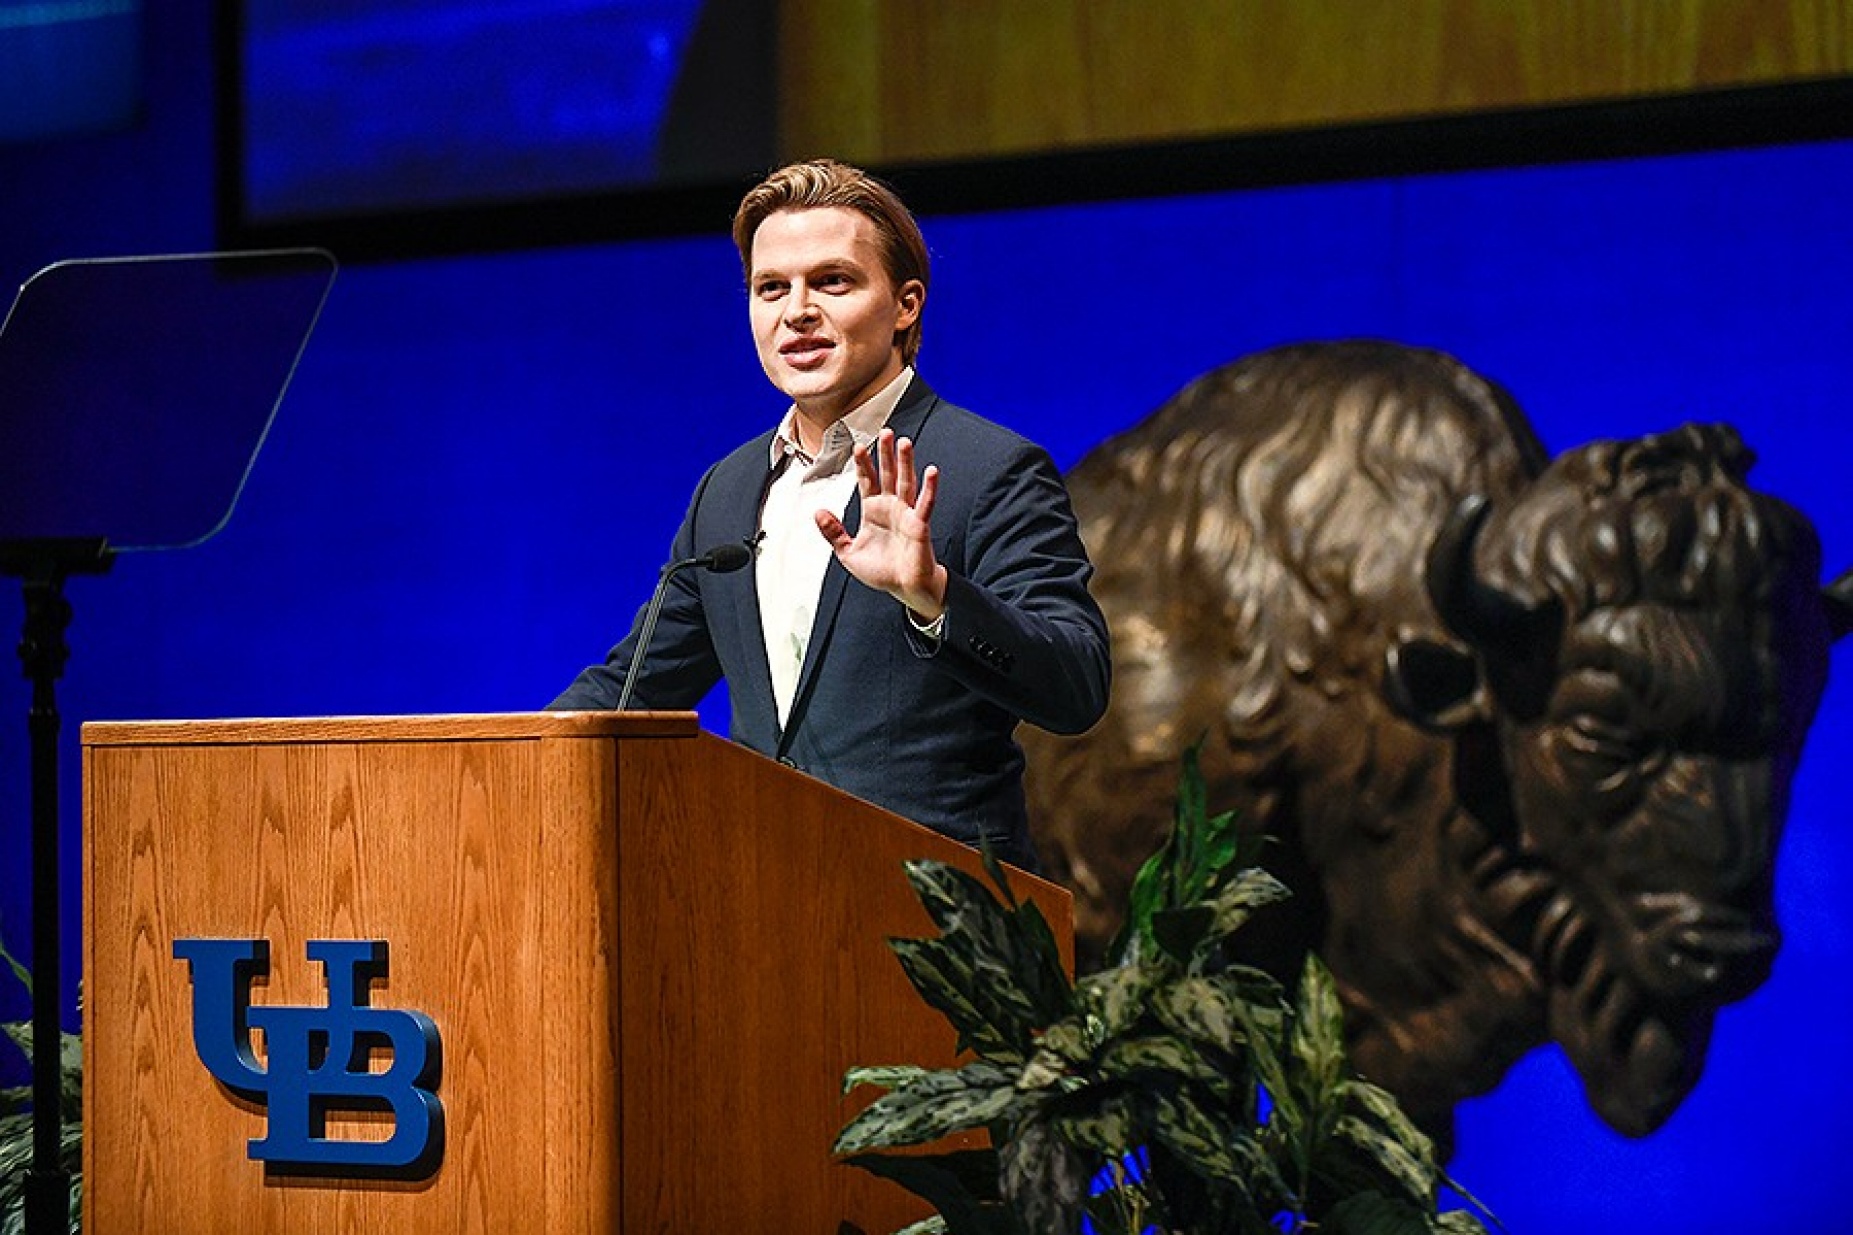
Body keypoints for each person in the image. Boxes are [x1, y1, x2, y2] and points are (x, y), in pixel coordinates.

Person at [552, 158, 1109, 870]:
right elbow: (633, 686)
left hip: (936, 919)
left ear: (905, 304)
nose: (796, 312)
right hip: (763, 904)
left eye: (832, 281)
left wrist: (932, 597)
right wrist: (508, 756)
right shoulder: (726, 489)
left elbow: (1077, 684)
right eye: (770, 288)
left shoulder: (987, 468)